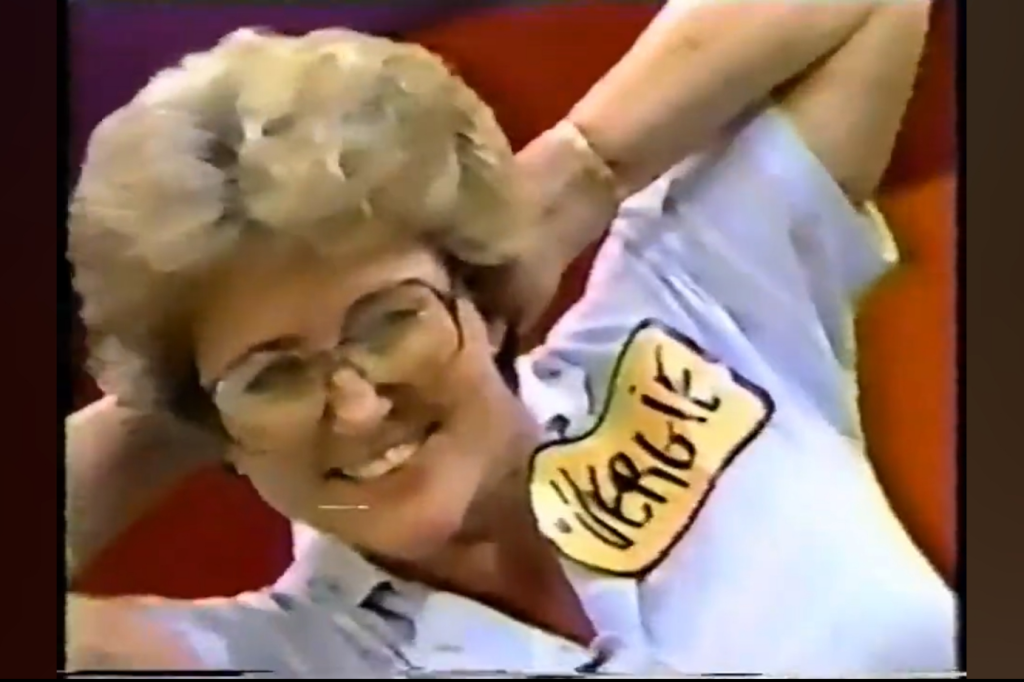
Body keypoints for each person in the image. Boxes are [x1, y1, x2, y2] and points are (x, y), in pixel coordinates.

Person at [67, 0, 954, 675]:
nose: (361, 403)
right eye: (278, 377)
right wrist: (170, 402)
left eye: (389, 320)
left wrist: (580, 175)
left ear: (483, 292)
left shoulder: (686, 314)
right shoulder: (281, 658)